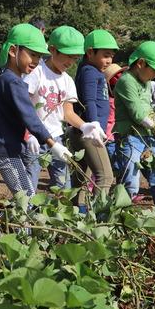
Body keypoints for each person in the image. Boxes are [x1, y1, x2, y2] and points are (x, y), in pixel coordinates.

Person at [0, 23, 71, 199]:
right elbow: (29, 115)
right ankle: (21, 226)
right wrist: (53, 144)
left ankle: (1, 218)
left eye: (39, 57)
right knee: (26, 196)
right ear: (13, 51)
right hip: (2, 150)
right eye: (32, 55)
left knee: (24, 194)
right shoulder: (12, 82)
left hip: (7, 148)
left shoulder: (10, 79)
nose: (36, 61)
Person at [22, 26, 106, 192]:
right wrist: (27, 133)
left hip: (56, 139)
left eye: (75, 58)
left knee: (63, 186)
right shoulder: (37, 72)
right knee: (29, 184)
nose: (70, 62)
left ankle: (60, 216)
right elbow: (23, 105)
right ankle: (25, 214)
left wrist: (84, 125)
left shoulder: (67, 80)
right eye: (68, 56)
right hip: (34, 138)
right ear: (53, 50)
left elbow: (68, 113)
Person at [114, 41, 155, 205]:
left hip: (147, 137)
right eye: (154, 70)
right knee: (131, 180)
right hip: (129, 137)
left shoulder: (147, 83)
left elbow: (149, 110)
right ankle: (122, 218)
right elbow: (138, 115)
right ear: (141, 63)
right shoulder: (126, 81)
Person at [71, 29, 118, 211]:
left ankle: (77, 213)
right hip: (89, 133)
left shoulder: (92, 70)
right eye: (105, 55)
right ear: (90, 52)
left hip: (86, 131)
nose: (109, 61)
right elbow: (89, 100)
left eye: (111, 56)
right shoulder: (90, 71)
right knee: (105, 176)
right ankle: (99, 216)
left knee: (82, 177)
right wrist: (95, 124)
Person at [103, 63, 125, 179]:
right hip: (109, 137)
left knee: (116, 162)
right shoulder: (112, 101)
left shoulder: (110, 99)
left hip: (113, 136)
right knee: (116, 164)